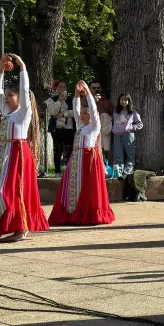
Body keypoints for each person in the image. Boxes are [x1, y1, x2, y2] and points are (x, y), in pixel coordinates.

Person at [0, 54, 49, 241]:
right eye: (6, 95)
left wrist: (22, 68)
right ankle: (6, 224)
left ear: (19, 98)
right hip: (3, 154)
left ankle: (21, 228)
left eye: (10, 95)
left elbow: (24, 89)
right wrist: (0, 68)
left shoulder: (24, 113)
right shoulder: (6, 112)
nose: (6, 98)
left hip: (18, 154)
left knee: (15, 190)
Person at [49, 82, 115, 226]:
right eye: (83, 114)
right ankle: (72, 212)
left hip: (88, 159)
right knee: (70, 186)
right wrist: (77, 95)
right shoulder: (80, 126)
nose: (83, 115)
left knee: (88, 187)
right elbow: (76, 108)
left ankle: (87, 212)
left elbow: (92, 107)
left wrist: (88, 94)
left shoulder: (93, 127)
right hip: (76, 158)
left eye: (87, 114)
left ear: (92, 115)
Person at [45, 81, 74, 173]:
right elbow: (53, 112)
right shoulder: (51, 100)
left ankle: (69, 171)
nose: (63, 89)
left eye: (64, 87)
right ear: (56, 89)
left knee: (69, 151)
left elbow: (75, 112)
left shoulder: (72, 100)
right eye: (60, 87)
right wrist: (59, 101)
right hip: (57, 129)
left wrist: (63, 114)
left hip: (69, 129)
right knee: (57, 151)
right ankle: (57, 172)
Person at [112, 92, 143, 177]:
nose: (123, 101)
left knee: (130, 154)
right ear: (119, 100)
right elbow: (114, 123)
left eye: (126, 100)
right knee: (118, 155)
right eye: (122, 99)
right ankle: (118, 173)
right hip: (117, 136)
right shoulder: (116, 112)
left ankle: (127, 173)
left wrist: (130, 128)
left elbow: (140, 124)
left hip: (128, 136)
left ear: (129, 101)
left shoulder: (133, 113)